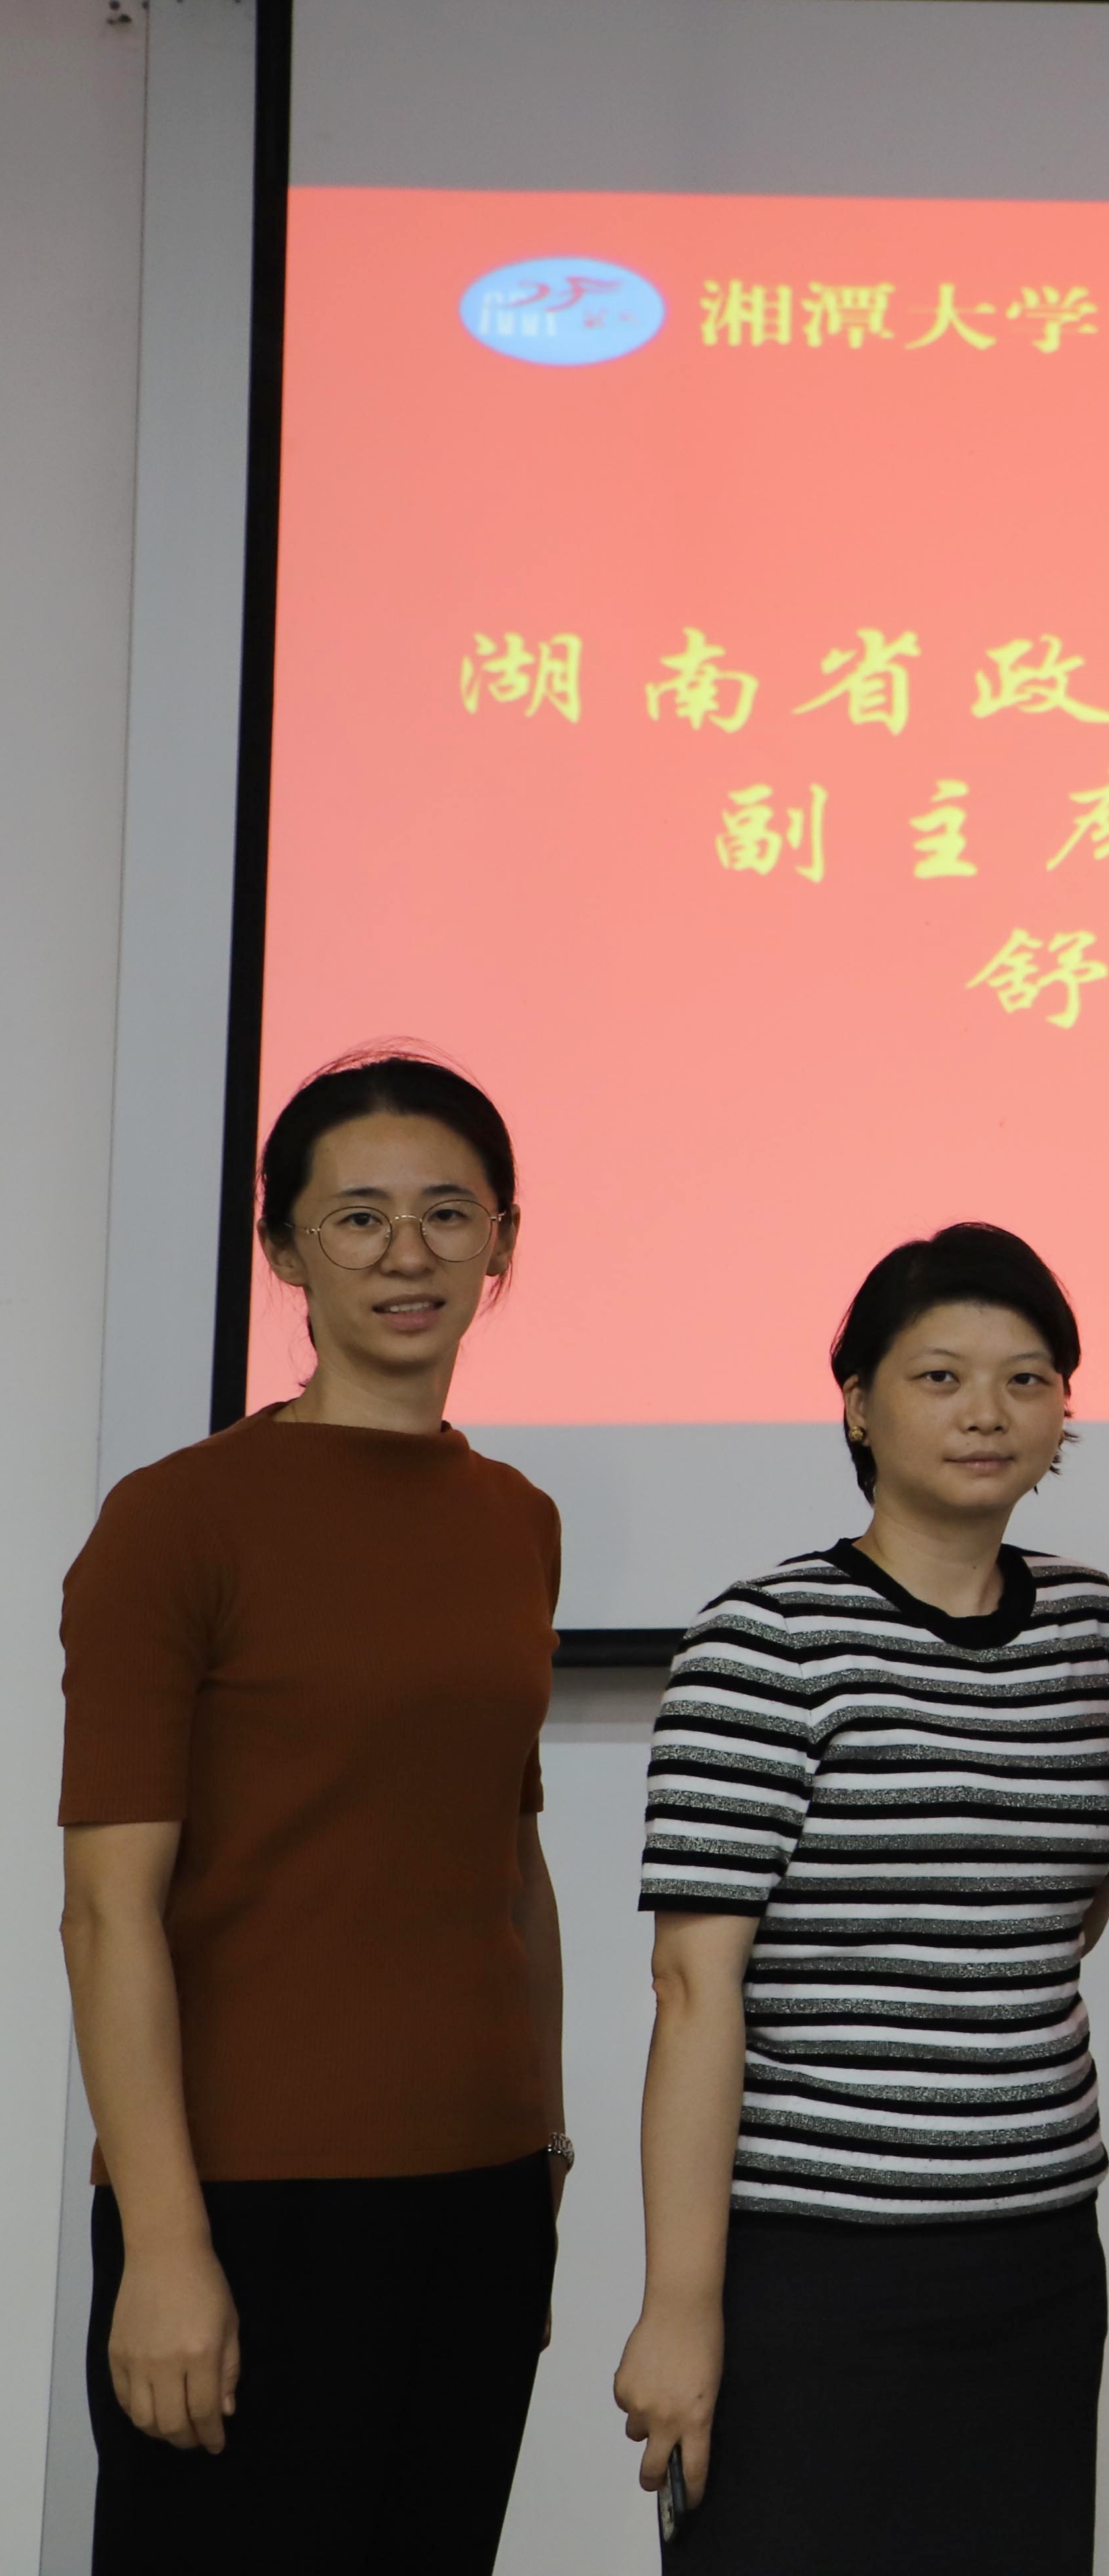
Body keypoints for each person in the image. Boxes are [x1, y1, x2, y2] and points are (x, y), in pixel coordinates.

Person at [58, 1049, 567, 2573]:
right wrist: (164, 2244)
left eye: (448, 1213)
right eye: (358, 1218)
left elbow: (508, 1857)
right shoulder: (178, 1518)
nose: (409, 1254)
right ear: (283, 1248)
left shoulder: (515, 1519)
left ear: (502, 1239)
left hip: (477, 2201)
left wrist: (541, 2147)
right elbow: (108, 1912)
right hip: (244, 2202)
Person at [612, 1224, 1109, 2574]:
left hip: (1035, 2255)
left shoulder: (1089, 1628)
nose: (987, 1412)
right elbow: (693, 1989)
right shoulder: (765, 1640)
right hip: (812, 2266)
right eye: (939, 1377)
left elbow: (1066, 1912)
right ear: (856, 1403)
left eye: (1027, 1380)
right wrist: (681, 2306)